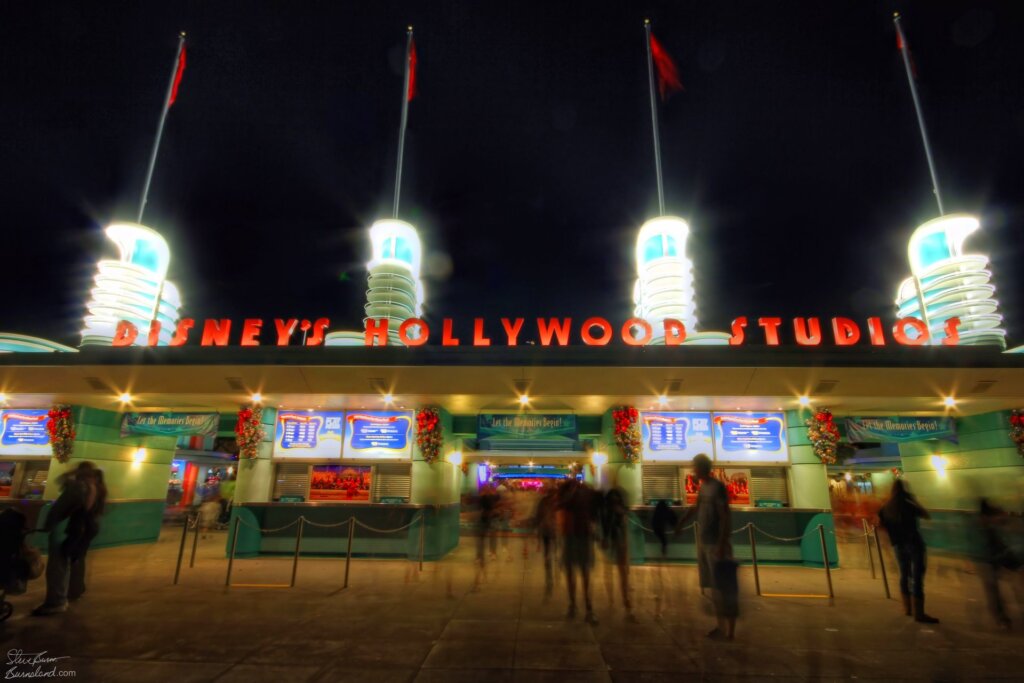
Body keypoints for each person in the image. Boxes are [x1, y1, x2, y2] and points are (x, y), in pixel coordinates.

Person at [33, 462, 106, 616]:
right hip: (82, 530)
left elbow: (60, 505)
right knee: (76, 559)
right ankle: (75, 591)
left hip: (66, 529)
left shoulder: (79, 487)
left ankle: (56, 601)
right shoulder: (97, 488)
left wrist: (48, 525)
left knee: (58, 565)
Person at [680, 454, 735, 640]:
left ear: (702, 468)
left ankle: (730, 630)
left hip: (715, 544)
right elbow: (696, 507)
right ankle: (720, 627)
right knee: (713, 587)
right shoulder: (704, 486)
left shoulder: (717, 487)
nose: (692, 470)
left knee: (723, 587)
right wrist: (682, 522)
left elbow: (724, 516)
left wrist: (721, 543)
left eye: (694, 466)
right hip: (705, 542)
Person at [878, 479, 938, 623]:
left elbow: (882, 527)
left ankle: (907, 609)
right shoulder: (909, 505)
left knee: (904, 575)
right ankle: (919, 613)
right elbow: (926, 515)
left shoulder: (885, 508)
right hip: (914, 544)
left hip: (898, 545)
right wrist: (914, 500)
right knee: (917, 577)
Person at [558, 478, 598, 623]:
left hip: (582, 534)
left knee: (584, 572)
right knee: (573, 572)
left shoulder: (586, 493)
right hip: (571, 534)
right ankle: (574, 604)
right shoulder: (566, 493)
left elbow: (594, 510)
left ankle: (587, 606)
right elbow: (561, 505)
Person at [978, 498, 1021, 629]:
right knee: (993, 586)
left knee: (994, 586)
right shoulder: (986, 527)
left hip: (998, 555)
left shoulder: (990, 525)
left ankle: (1002, 617)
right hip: (993, 557)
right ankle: (1002, 617)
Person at [601, 486, 633, 618]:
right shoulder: (617, 512)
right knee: (618, 571)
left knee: (618, 571)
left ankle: (619, 598)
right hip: (617, 541)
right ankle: (619, 598)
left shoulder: (613, 512)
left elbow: (607, 526)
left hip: (618, 541)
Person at [534, 483, 559, 596]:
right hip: (553, 530)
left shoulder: (543, 502)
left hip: (547, 530)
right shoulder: (557, 502)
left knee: (548, 551)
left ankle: (549, 566)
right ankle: (553, 566)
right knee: (553, 550)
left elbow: (538, 517)